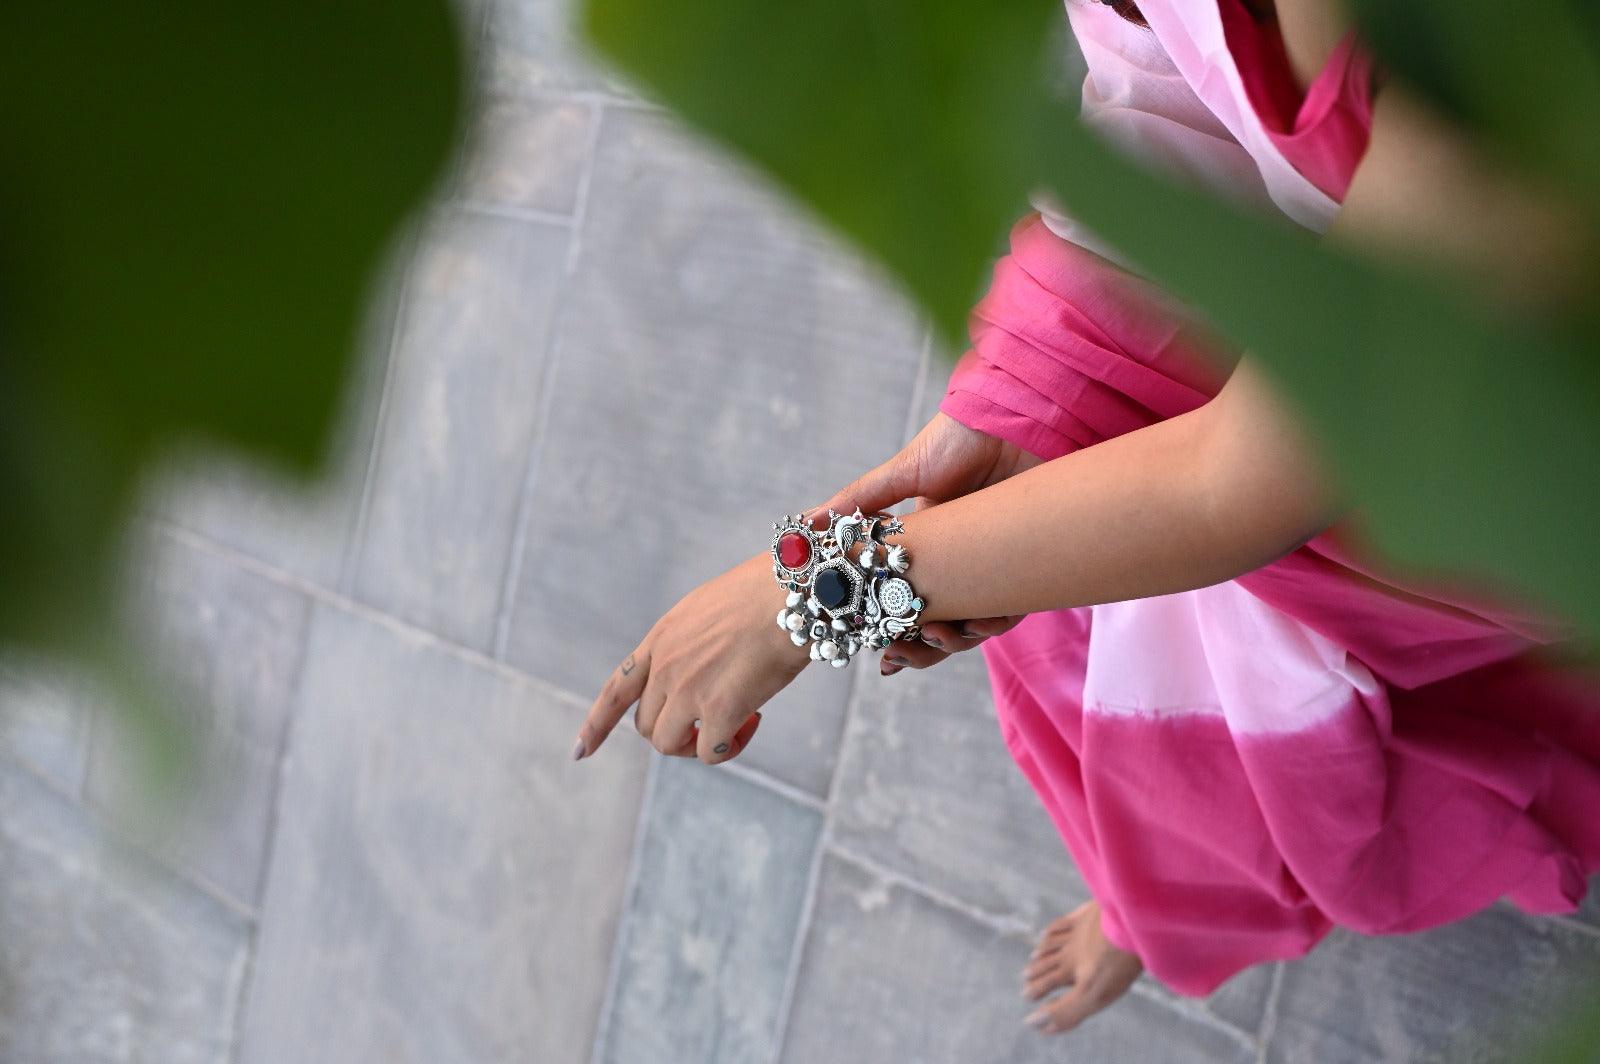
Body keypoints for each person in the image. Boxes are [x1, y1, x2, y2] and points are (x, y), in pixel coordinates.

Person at [572, 0, 1600, 1037]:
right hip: (1337, 374)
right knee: (1056, 600)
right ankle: (1158, 890)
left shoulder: (1495, 47)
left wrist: (812, 594)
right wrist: (1024, 397)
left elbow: (1248, 478)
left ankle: (1176, 896)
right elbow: (1161, 91)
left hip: (1471, 432)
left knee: (1201, 697)